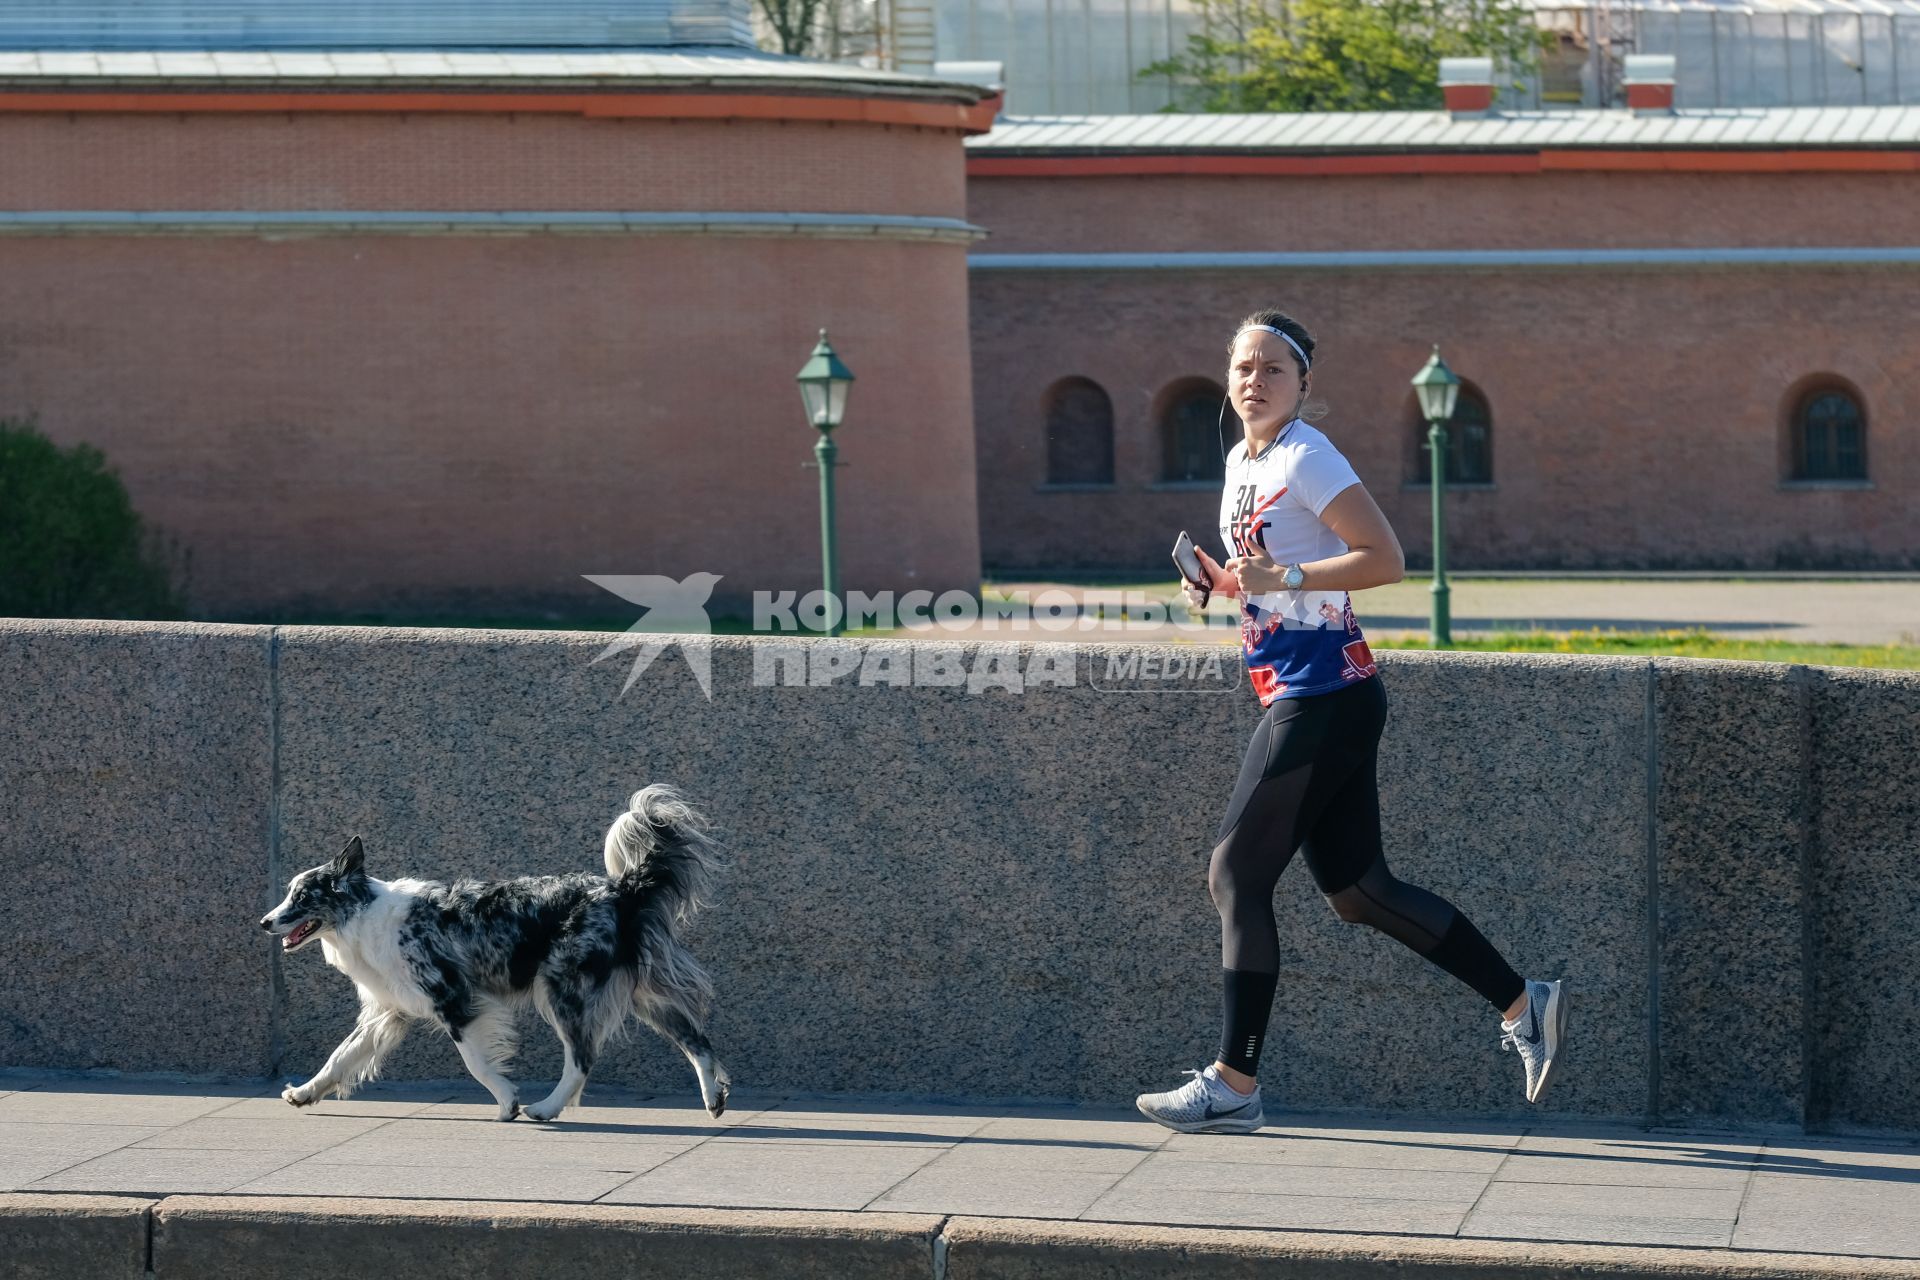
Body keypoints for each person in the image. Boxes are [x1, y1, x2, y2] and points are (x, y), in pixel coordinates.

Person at [1134, 309, 1567, 1135]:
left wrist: (1283, 572)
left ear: (1303, 385)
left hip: (1323, 690)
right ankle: (1524, 1003)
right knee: (1361, 893)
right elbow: (1269, 575)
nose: (1253, 380)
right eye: (1242, 368)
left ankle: (1234, 1082)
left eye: (1272, 369)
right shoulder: (1241, 460)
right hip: (1308, 688)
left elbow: (1386, 559)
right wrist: (1225, 583)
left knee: (1234, 874)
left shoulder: (1307, 453)